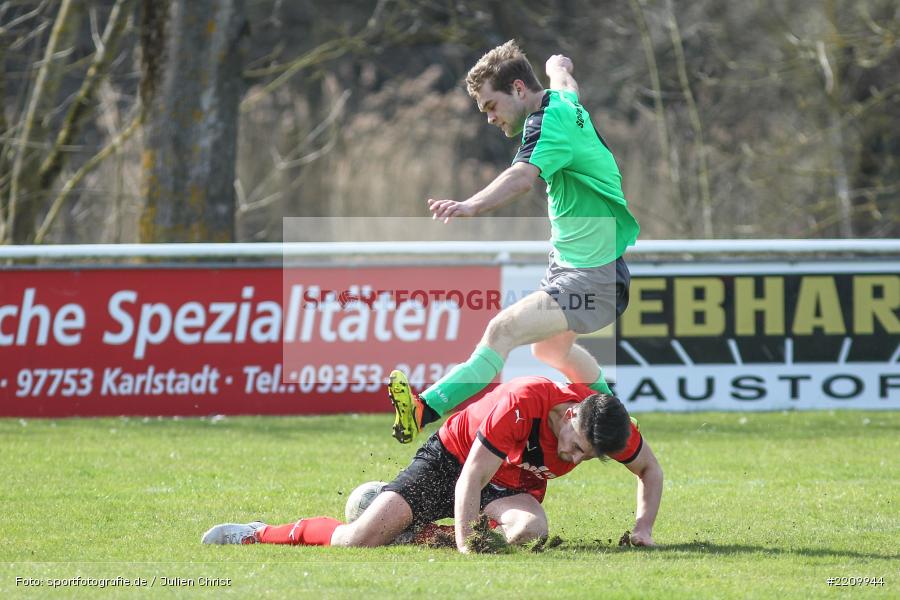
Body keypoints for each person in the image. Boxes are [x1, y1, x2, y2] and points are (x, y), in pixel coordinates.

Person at [390, 40, 640, 445]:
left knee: (502, 329)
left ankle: (424, 408)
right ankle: (620, 426)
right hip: (588, 271)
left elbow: (522, 178)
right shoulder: (562, 101)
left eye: (491, 106)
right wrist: (558, 64)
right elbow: (565, 80)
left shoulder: (548, 123)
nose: (490, 118)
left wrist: (470, 205)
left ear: (520, 90)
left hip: (593, 278)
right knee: (550, 353)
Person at [202, 376, 663, 552]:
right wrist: (464, 544)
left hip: (509, 485)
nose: (575, 458)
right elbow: (470, 478)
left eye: (586, 456)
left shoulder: (607, 426)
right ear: (569, 414)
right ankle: (260, 532)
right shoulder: (524, 402)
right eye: (576, 446)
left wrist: (642, 528)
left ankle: (415, 531)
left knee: (529, 533)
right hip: (454, 462)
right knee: (356, 542)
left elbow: (650, 470)